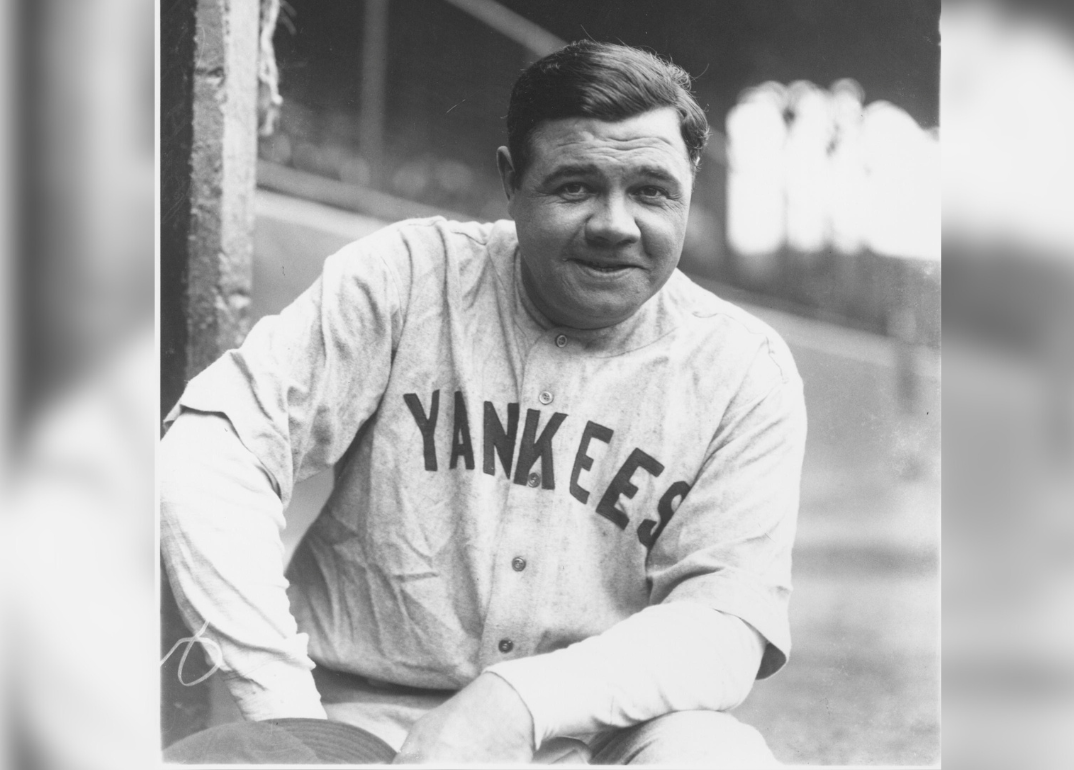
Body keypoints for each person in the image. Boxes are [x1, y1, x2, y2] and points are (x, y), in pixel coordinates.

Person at [161, 40, 806, 766]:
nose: (615, 224)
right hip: (360, 727)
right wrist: (288, 718)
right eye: (574, 186)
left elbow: (723, 624)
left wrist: (518, 700)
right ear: (511, 181)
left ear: (689, 186)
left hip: (592, 739)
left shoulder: (743, 369)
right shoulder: (411, 278)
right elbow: (214, 444)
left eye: (652, 191)